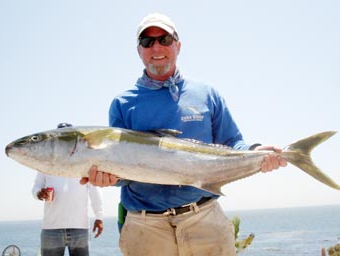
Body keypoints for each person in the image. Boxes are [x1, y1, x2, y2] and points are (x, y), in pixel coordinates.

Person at [80, 13, 287, 256]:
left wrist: (255, 153)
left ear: (178, 45)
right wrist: (109, 177)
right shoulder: (123, 104)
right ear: (139, 51)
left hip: (204, 220)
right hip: (146, 228)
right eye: (147, 42)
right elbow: (123, 169)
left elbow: (232, 143)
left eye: (165, 39)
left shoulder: (207, 94)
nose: (156, 47)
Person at [33, 123, 105, 256]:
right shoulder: (46, 165)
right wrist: (39, 193)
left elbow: (95, 192)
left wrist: (99, 217)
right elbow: (36, 187)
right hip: (51, 228)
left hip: (79, 228)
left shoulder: (84, 162)